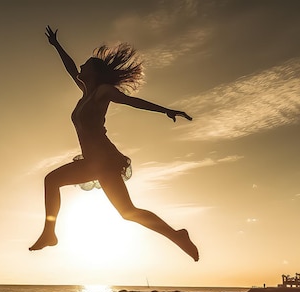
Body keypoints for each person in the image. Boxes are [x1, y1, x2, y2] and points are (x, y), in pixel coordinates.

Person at [29, 26, 199, 262]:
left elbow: (132, 102)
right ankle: (177, 235)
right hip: (95, 162)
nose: (81, 66)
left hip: (103, 160)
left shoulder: (102, 92)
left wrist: (165, 110)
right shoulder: (86, 92)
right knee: (128, 212)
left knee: (52, 180)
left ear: (95, 73)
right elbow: (70, 69)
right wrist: (57, 45)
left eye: (86, 64)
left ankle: (49, 234)